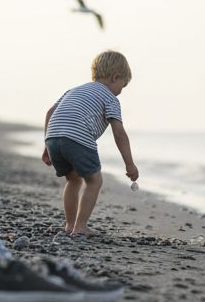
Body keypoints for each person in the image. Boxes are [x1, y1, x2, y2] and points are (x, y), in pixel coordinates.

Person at [42, 51, 139, 236]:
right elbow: (119, 132)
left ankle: (69, 225)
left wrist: (47, 146)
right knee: (94, 180)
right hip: (78, 137)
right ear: (115, 77)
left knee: (73, 179)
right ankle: (80, 227)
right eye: (122, 86)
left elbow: (50, 112)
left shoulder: (73, 90)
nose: (121, 91)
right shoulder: (110, 98)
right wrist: (129, 164)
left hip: (53, 136)